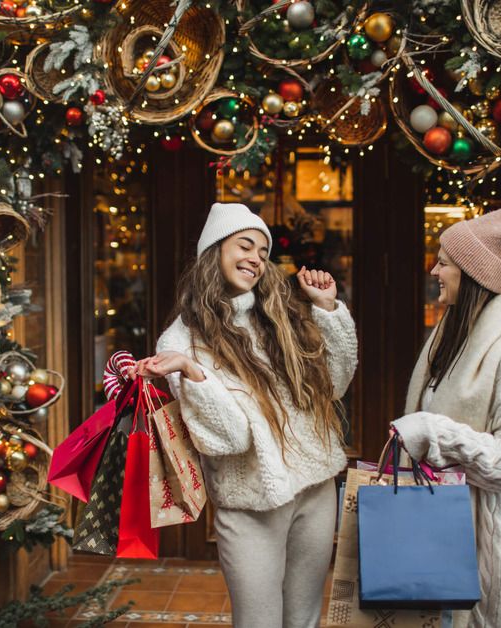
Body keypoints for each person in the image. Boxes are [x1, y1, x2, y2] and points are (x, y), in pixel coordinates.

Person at [131, 202, 358, 628]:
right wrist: (194, 373)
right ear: (215, 249)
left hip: (315, 490)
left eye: (263, 252)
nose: (255, 258)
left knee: (304, 620)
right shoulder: (180, 342)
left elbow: (334, 385)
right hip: (251, 505)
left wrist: (328, 311)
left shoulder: (279, 316)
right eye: (245, 245)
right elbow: (230, 438)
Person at [390, 202, 501, 628]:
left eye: (444, 263)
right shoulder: (449, 340)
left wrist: (436, 433)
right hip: (440, 536)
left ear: (473, 275)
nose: (434, 271)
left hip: (488, 554)